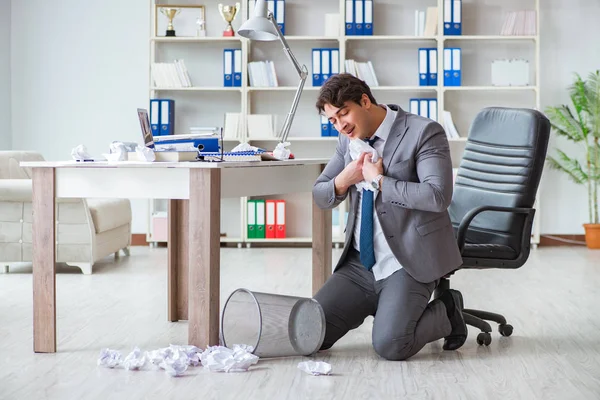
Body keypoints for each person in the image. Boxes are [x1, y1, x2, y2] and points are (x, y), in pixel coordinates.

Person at [312, 73, 467, 361]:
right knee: (310, 333)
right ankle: (385, 308)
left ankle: (447, 310)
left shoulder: (423, 131)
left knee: (391, 345)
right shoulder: (347, 141)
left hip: (407, 260)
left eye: (344, 112)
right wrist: (343, 180)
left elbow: (437, 196)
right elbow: (320, 194)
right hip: (360, 264)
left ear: (365, 101)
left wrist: (380, 181)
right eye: (332, 120)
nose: (340, 124)